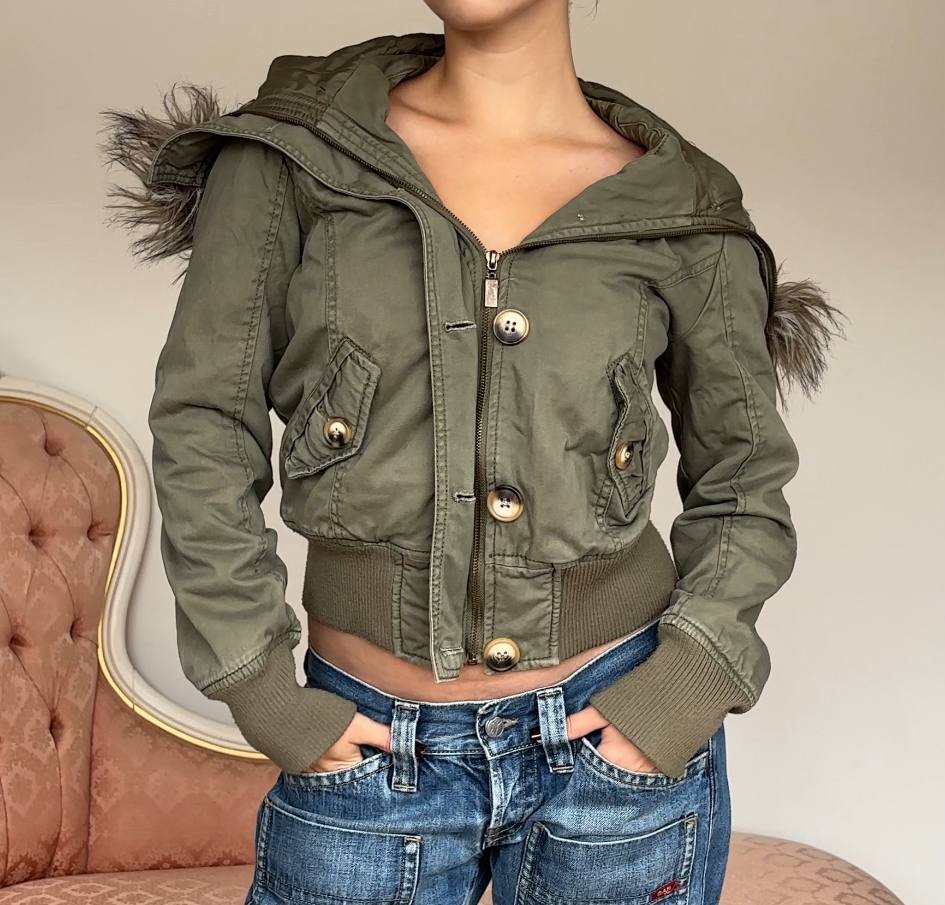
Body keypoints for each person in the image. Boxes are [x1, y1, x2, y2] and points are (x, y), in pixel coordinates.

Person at [99, 2, 843, 902]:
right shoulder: (289, 159)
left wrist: (683, 687)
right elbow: (204, 423)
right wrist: (259, 682)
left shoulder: (679, 206)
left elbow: (745, 476)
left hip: (616, 755)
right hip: (363, 751)